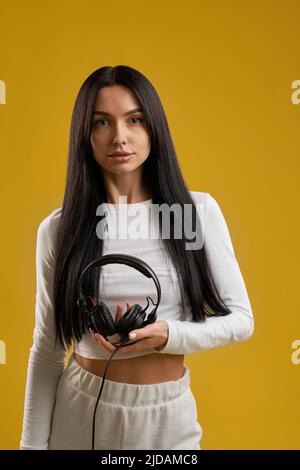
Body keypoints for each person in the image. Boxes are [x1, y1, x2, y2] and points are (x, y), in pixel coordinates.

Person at [19, 65, 254, 450]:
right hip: (81, 414)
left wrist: (169, 335)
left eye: (134, 119)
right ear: (85, 133)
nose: (119, 137)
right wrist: (29, 447)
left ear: (153, 128)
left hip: (168, 418)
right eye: (101, 122)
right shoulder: (58, 230)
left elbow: (242, 320)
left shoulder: (197, 213)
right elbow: (47, 349)